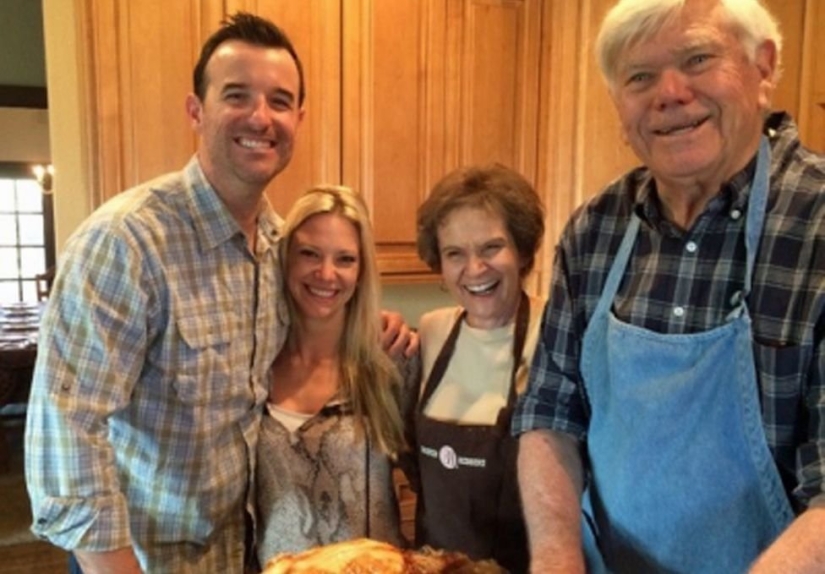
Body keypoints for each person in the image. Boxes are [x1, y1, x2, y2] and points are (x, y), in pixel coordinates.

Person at [24, 13, 413, 574]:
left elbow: (321, 311)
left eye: (280, 101)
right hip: (143, 561)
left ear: (298, 119)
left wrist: (372, 321)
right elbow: (66, 435)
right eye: (237, 95)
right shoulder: (128, 243)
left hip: (243, 555)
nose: (261, 117)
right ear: (195, 110)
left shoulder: (278, 248)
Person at [512, 0, 825, 572]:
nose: (670, 93)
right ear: (618, 107)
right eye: (640, 77)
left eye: (698, 58)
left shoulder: (817, 224)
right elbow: (549, 415)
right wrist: (556, 558)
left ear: (764, 68)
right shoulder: (595, 229)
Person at [255, 185, 419, 565]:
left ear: (361, 271)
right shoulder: (253, 364)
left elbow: (433, 486)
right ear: (285, 259)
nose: (326, 274)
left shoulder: (391, 363)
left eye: (345, 259)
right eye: (309, 254)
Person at [412, 164, 545, 573]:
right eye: (455, 253)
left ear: (522, 250)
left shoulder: (554, 334)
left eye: (491, 248)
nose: (474, 269)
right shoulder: (433, 332)